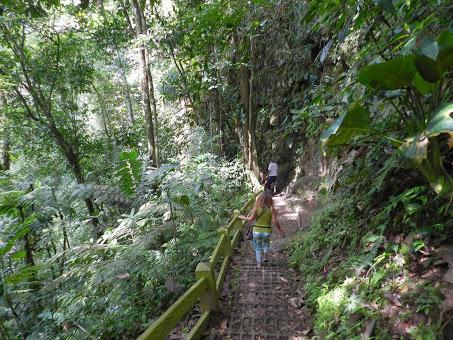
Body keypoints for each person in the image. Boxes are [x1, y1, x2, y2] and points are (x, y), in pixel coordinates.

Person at [238, 191, 285, 268]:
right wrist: (280, 230)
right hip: (267, 231)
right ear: (270, 199)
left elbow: (250, 219)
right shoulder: (271, 208)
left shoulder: (256, 207)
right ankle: (265, 257)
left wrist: (243, 217)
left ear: (259, 199)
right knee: (266, 243)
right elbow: (274, 221)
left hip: (256, 231)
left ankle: (259, 264)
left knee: (257, 246)